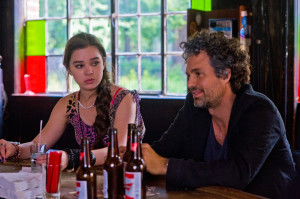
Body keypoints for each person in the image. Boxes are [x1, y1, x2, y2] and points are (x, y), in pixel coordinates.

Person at [141, 30, 296, 199]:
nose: (190, 83)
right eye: (189, 75)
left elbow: (237, 174)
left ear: (225, 74)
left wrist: (165, 166)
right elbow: (163, 150)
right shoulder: (194, 107)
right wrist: (133, 157)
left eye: (198, 74)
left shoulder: (260, 111)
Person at [0, 32, 144, 170]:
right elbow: (38, 144)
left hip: (128, 180)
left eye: (94, 63)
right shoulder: (68, 104)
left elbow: (118, 150)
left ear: (104, 63)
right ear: (69, 69)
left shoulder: (124, 98)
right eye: (79, 66)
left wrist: (71, 158)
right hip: (88, 178)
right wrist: (14, 149)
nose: (89, 71)